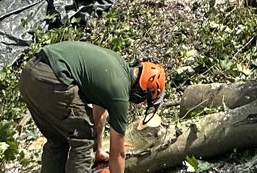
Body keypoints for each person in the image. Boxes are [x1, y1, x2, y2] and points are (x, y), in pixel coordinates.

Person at [18, 41, 166, 173]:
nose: (141, 102)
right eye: (144, 99)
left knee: (57, 140)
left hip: (30, 74)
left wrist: (98, 150)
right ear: (145, 89)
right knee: (83, 140)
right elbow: (118, 154)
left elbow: (99, 111)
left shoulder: (117, 65)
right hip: (53, 79)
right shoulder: (120, 93)